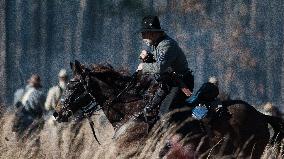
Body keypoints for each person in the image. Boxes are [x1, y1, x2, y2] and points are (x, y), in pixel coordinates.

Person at [136, 15, 194, 123]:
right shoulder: (158, 44)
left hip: (180, 84)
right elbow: (161, 59)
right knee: (148, 109)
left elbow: (160, 67)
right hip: (169, 83)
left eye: (144, 34)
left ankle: (169, 139)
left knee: (164, 114)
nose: (142, 37)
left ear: (152, 33)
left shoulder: (166, 45)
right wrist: (149, 55)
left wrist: (143, 67)